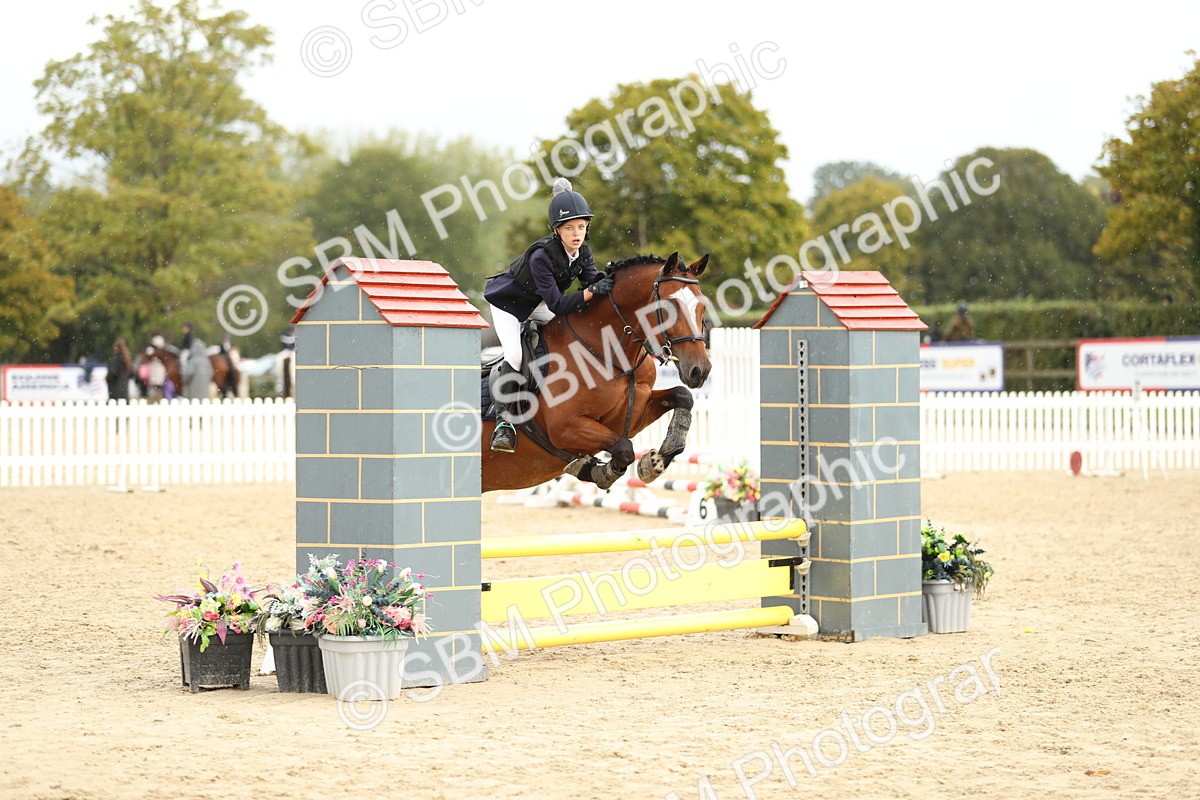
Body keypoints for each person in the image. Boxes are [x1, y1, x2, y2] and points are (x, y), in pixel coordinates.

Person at [482, 178, 613, 453]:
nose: (576, 233)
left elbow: (592, 281)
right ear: (557, 230)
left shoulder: (583, 252)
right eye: (569, 228)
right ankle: (503, 423)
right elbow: (558, 304)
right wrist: (591, 292)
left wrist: (609, 280)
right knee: (515, 355)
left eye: (581, 226)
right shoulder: (541, 256)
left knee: (568, 331)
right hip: (508, 306)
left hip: (537, 303)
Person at [180, 326, 212, 399]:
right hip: (205, 391)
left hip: (193, 390)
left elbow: (188, 374)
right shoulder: (207, 361)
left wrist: (185, 379)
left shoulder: (193, 360)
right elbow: (211, 373)